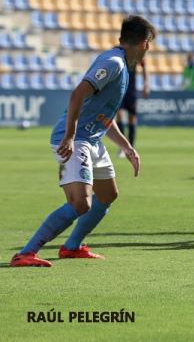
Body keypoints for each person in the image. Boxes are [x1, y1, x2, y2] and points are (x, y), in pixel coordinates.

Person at [10, 15, 156, 267]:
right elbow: (78, 93)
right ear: (145, 43)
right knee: (81, 203)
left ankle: (72, 247)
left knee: (108, 194)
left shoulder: (121, 66)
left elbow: (103, 116)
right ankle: (26, 252)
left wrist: (126, 146)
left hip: (92, 139)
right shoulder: (113, 64)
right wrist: (69, 135)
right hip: (76, 138)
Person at [115, 53, 149, 158]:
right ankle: (122, 147)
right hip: (119, 89)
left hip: (131, 90)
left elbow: (144, 66)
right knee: (119, 115)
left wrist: (146, 84)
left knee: (132, 117)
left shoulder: (137, 52)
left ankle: (131, 147)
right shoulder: (118, 51)